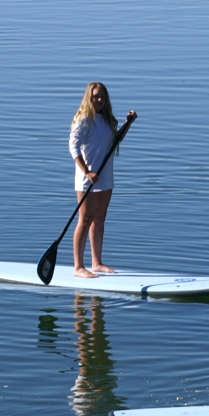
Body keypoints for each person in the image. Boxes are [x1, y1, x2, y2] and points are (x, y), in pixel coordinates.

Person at [68, 82, 137, 278]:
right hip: (87, 178)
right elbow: (73, 147)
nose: (99, 100)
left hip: (105, 177)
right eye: (95, 96)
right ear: (89, 98)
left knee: (99, 218)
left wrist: (128, 123)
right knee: (85, 219)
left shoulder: (106, 119)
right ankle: (79, 267)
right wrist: (87, 171)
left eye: (102, 97)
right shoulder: (84, 120)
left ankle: (96, 263)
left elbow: (115, 141)